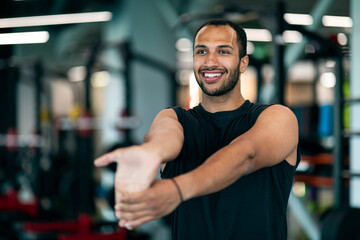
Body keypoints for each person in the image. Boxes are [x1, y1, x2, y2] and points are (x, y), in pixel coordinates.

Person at [95, 19, 300, 240]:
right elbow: (166, 137)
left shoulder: (278, 118)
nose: (210, 61)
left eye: (223, 51)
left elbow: (245, 154)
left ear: (243, 63)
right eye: (201, 51)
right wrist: (151, 152)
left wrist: (177, 190)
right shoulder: (174, 118)